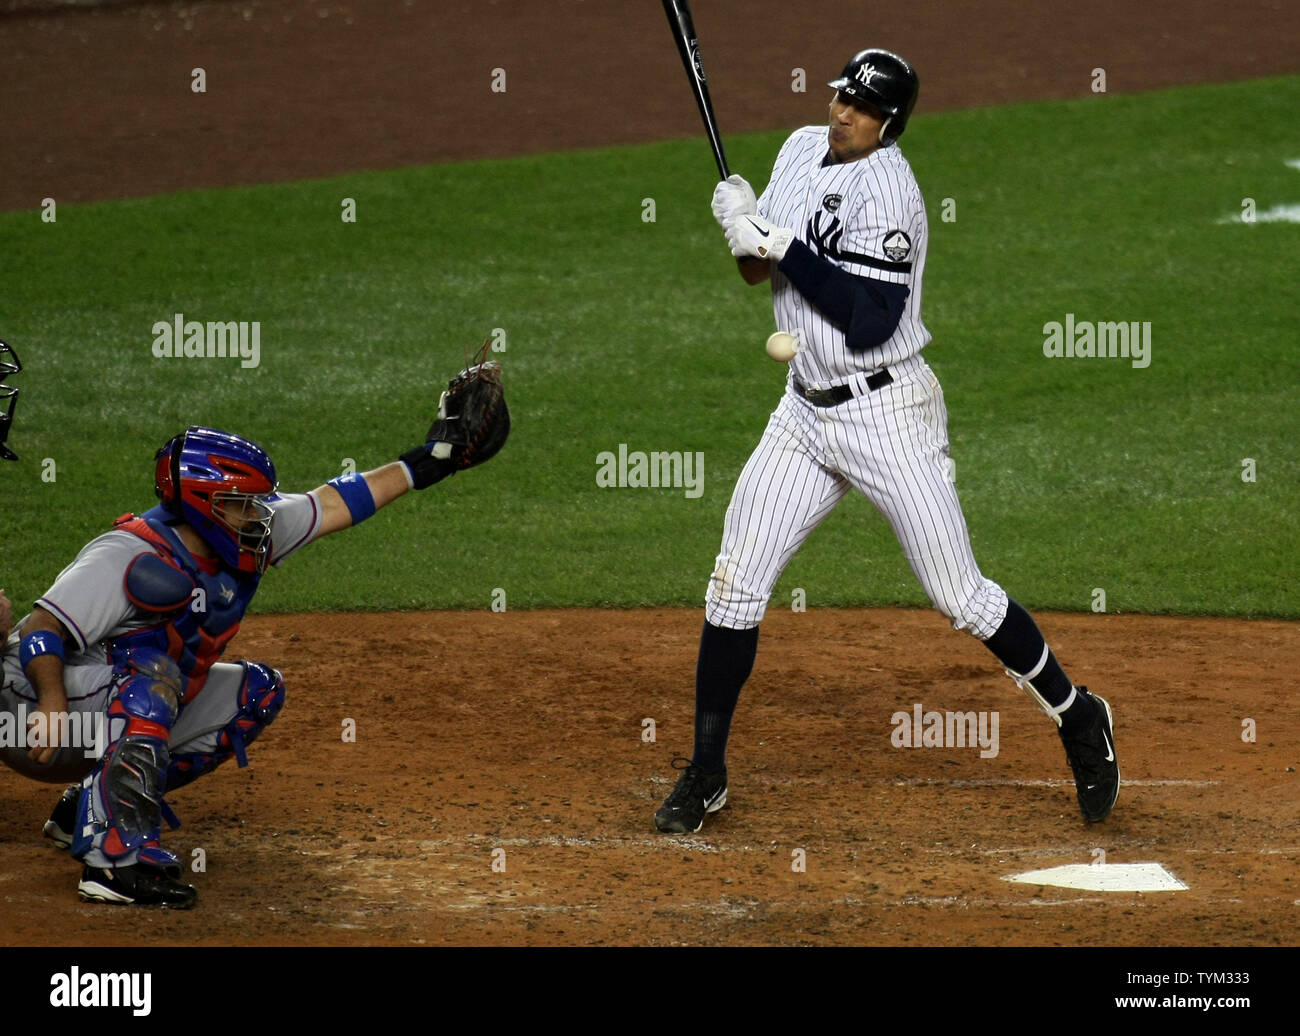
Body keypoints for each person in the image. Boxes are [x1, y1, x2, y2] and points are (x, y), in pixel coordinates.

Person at [653, 49, 1118, 835]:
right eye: (841, 97)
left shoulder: (892, 193)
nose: (842, 113)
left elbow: (872, 320)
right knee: (733, 583)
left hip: (886, 414)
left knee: (959, 595)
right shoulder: (800, 148)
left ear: (889, 123)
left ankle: (1078, 715)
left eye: (862, 108)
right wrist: (739, 227)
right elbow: (753, 269)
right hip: (802, 413)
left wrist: (780, 245)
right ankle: (706, 771)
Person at [1, 364, 507, 906]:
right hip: (31, 718)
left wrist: (432, 461)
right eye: (242, 503)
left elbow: (338, 501)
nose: (259, 514)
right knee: (154, 678)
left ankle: (89, 810)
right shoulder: (126, 554)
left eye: (259, 501)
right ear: (201, 503)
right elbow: (41, 626)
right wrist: (51, 701)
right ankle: (111, 863)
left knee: (255, 692)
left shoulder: (249, 533)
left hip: (105, 713)